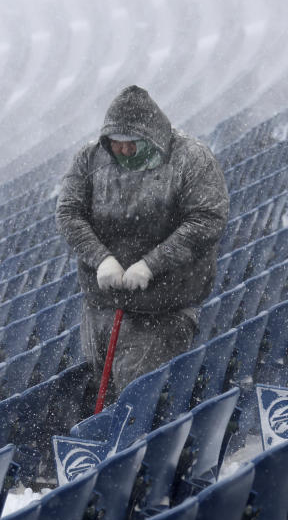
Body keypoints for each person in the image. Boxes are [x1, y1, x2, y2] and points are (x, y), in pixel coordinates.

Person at [56, 85, 229, 395]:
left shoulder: (191, 158)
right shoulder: (89, 159)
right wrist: (101, 258)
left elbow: (207, 218)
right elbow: (68, 212)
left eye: (130, 144)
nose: (121, 151)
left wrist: (152, 264)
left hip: (163, 308)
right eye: (115, 143)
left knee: (140, 396)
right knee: (103, 390)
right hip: (102, 304)